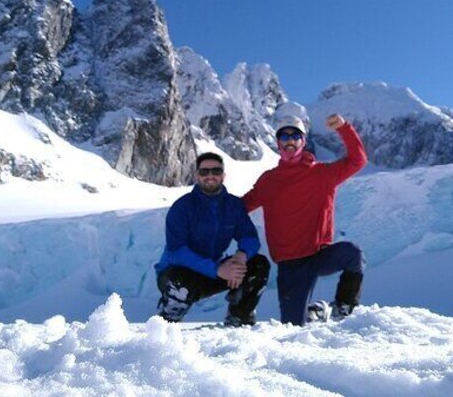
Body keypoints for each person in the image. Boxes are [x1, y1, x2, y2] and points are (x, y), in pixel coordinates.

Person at [243, 110, 368, 326]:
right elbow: (242, 206)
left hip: (318, 255)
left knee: (353, 255)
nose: (290, 141)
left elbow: (358, 160)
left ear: (303, 141)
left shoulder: (323, 174)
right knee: (293, 328)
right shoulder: (268, 181)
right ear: (277, 142)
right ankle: (316, 311)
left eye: (295, 136)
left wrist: (343, 127)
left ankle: (343, 306)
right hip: (289, 265)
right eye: (284, 136)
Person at [155, 152, 270, 326]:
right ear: (196, 175)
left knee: (258, 265)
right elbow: (177, 251)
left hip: (214, 271)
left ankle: (239, 318)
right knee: (180, 281)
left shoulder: (233, 206)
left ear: (223, 175)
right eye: (204, 172)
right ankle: (166, 323)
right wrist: (217, 269)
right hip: (177, 273)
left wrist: (241, 256)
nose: (210, 176)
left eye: (216, 171)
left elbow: (249, 237)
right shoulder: (182, 207)